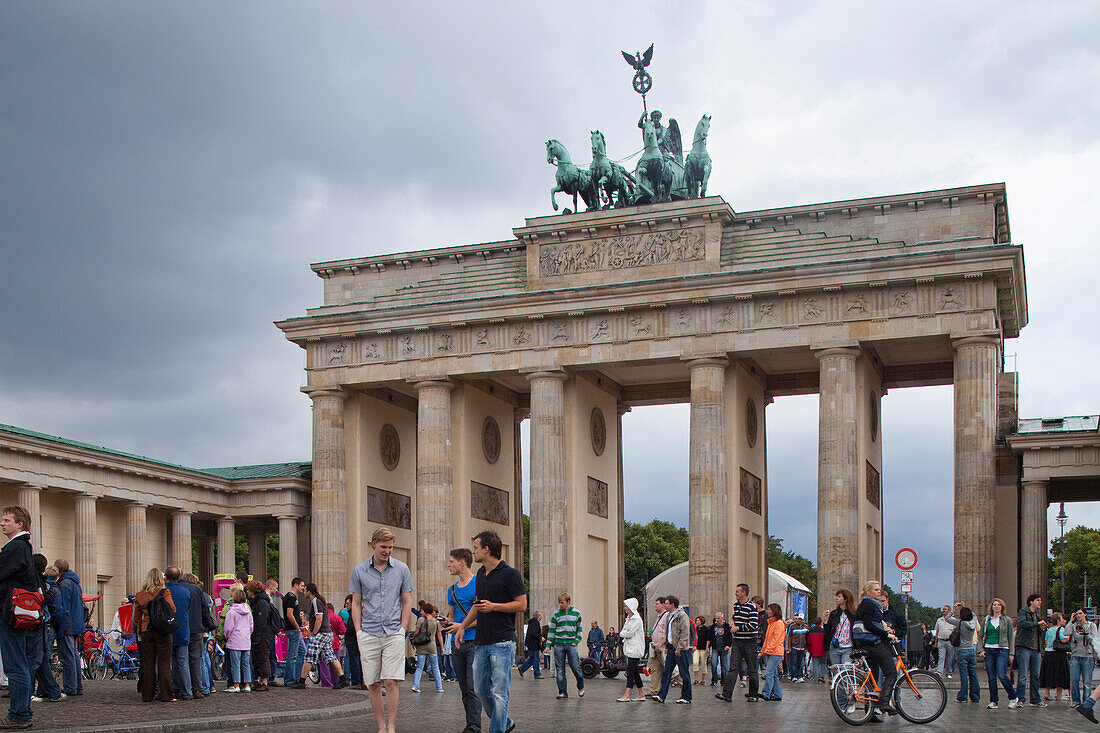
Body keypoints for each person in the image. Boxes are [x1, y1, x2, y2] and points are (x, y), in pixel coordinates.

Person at [454, 530, 526, 733]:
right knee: (480, 690)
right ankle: (505, 722)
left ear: (486, 549)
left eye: (475, 547)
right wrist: (463, 626)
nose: (473, 551)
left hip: (502, 642)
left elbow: (521, 605)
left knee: (500, 692)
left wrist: (495, 606)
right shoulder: (480, 574)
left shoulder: (511, 574)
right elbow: (477, 606)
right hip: (481, 642)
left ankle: (497, 730)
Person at [349, 527, 413, 733]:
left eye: (391, 547)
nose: (388, 551)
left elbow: (406, 601)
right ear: (374, 544)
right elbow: (356, 603)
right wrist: (358, 631)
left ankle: (392, 726)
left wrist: (403, 628)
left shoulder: (402, 569)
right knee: (373, 683)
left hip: (394, 631)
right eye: (384, 547)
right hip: (368, 631)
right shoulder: (359, 570)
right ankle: (381, 726)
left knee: (390, 681)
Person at [0, 506, 43, 729]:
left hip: (9, 614)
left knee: (15, 665)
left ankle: (19, 714)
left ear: (20, 524)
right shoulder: (23, 547)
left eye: (7, 520)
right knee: (19, 664)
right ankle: (20, 712)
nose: (2, 523)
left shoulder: (16, 547)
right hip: (17, 614)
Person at [443, 547, 481, 733]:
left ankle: (475, 725)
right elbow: (452, 617)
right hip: (456, 643)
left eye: (451, 561)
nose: (448, 564)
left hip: (475, 642)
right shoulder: (451, 590)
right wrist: (448, 623)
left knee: (474, 687)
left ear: (462, 562)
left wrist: (463, 626)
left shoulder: (479, 584)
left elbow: (483, 617)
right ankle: (471, 723)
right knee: (464, 689)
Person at [852, 580, 898, 717]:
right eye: (876, 590)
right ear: (869, 592)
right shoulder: (868, 604)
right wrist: (885, 634)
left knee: (872, 679)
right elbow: (868, 625)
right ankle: (884, 702)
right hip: (873, 643)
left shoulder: (868, 604)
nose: (879, 592)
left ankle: (870, 713)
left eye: (879, 589)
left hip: (867, 644)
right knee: (891, 673)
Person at [134, 567, 176, 703]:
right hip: (162, 631)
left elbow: (136, 617)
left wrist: (140, 629)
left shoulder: (140, 595)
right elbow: (172, 609)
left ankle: (147, 695)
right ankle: (166, 695)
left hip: (146, 630)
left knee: (148, 664)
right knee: (164, 664)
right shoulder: (165, 592)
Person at [296, 583, 347, 690]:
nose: (304, 592)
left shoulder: (315, 602)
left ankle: (301, 681)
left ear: (309, 591)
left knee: (309, 657)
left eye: (305, 590)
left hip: (320, 633)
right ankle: (343, 679)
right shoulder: (319, 602)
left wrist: (313, 633)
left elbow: (319, 619)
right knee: (330, 657)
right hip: (327, 633)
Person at [719, 583, 759, 702]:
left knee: (752, 669)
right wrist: (732, 624)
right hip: (737, 641)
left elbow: (753, 625)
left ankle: (753, 694)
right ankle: (727, 694)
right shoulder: (736, 605)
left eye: (737, 591)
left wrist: (738, 628)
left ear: (744, 593)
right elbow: (734, 618)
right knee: (733, 668)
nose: (735, 593)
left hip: (749, 642)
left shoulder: (752, 607)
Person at [978, 597, 1018, 709]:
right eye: (995, 604)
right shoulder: (986, 620)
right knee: (991, 677)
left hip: (1002, 649)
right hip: (989, 649)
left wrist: (1011, 653)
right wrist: (981, 650)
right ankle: (994, 701)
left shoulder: (1006, 620)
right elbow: (981, 636)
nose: (996, 606)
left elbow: (1011, 637)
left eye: (999, 605)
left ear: (1002, 607)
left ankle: (1013, 696)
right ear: (992, 607)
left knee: (1001, 675)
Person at [53, 557, 84, 698]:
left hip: (68, 625)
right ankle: (76, 686)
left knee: (68, 657)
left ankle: (70, 686)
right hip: (76, 623)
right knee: (74, 656)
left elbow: (64, 608)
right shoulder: (75, 583)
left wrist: (61, 627)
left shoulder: (65, 584)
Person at [653, 594, 692, 704]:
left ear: (672, 604)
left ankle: (686, 696)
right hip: (671, 648)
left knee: (684, 673)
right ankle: (662, 695)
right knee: (667, 672)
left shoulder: (682, 616)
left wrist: (679, 648)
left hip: (680, 649)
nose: (665, 605)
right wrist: (666, 646)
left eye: (666, 603)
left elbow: (685, 633)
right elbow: (668, 633)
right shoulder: (669, 616)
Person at [547, 592, 584, 699]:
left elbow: (579, 629)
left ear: (568, 602)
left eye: (562, 602)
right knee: (560, 670)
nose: (560, 605)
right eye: (559, 602)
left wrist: (576, 641)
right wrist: (548, 644)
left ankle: (580, 685)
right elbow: (552, 630)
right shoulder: (556, 614)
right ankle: (562, 691)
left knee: (575, 667)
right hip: (559, 643)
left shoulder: (577, 614)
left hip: (571, 644)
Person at [1013, 593, 1047, 707]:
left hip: (1035, 649)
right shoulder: (1023, 612)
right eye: (1038, 600)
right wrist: (1037, 624)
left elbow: (1037, 631)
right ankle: (1020, 699)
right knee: (1022, 675)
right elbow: (1022, 623)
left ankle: (1035, 699)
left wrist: (1041, 628)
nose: (1040, 602)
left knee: (1035, 675)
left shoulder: (1037, 615)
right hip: (1024, 647)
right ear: (1031, 602)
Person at [164, 566, 193, 700]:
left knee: (167, 665)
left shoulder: (164, 592)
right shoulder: (186, 592)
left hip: (167, 632)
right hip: (182, 632)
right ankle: (187, 692)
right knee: (183, 664)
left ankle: (168, 691)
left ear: (166, 578)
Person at [247, 580, 280, 692]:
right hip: (263, 634)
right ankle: (261, 680)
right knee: (260, 658)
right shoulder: (261, 601)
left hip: (263, 635)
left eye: (248, 590)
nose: (247, 592)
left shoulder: (261, 603)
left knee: (263, 658)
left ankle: (264, 681)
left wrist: (257, 637)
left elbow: (261, 621)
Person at [943, 603, 979, 703]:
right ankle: (975, 696)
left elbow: (947, 618)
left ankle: (963, 696)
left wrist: (954, 609)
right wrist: (966, 606)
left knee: (964, 675)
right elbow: (974, 616)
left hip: (962, 651)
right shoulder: (973, 622)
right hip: (971, 650)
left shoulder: (960, 623)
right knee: (973, 675)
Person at [179, 573, 207, 699]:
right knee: (196, 660)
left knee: (181, 660)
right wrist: (206, 626)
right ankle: (197, 688)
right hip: (197, 629)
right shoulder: (198, 590)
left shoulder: (180, 589)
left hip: (181, 629)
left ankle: (181, 688)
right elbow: (205, 609)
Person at [223, 587, 253, 693]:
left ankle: (236, 685)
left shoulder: (232, 612)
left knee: (235, 664)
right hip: (246, 640)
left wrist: (226, 636)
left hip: (235, 640)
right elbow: (251, 626)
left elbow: (228, 628)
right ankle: (247, 684)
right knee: (246, 664)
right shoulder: (248, 611)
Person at [617, 598, 647, 702]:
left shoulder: (637, 620)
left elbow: (628, 633)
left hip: (635, 649)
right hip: (630, 648)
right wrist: (624, 632)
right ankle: (641, 693)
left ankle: (627, 694)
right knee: (634, 672)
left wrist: (624, 632)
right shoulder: (629, 619)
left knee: (630, 671)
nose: (625, 608)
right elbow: (624, 631)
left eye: (626, 606)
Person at [410, 602, 444, 693]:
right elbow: (439, 636)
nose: (420, 612)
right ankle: (439, 687)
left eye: (421, 610)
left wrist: (414, 642)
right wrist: (442, 647)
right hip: (432, 647)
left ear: (425, 611)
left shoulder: (421, 620)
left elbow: (416, 633)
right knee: (435, 667)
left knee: (420, 667)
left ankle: (415, 685)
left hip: (421, 646)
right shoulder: (436, 621)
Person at [1068, 607, 1098, 707]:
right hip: (1076, 655)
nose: (1078, 616)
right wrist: (1071, 621)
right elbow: (1066, 633)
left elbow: (1094, 640)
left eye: (1080, 613)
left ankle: (1086, 703)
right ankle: (1075, 701)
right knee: (1074, 680)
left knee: (1087, 682)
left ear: (1085, 614)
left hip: (1088, 656)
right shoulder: (1074, 626)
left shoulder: (1091, 626)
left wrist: (1086, 633)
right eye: (1076, 614)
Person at [1039, 611, 1070, 702]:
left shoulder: (1049, 630)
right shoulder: (1061, 629)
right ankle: (1058, 694)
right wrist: (1068, 636)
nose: (1064, 620)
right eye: (1062, 618)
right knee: (1059, 674)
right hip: (1058, 654)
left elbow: (1047, 642)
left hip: (1048, 653)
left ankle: (1047, 693)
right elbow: (1064, 640)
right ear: (1058, 620)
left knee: (1049, 673)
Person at [282, 578, 306, 687]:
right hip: (293, 629)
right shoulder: (291, 597)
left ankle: (297, 677)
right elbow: (289, 614)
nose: (303, 588)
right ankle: (290, 680)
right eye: (302, 585)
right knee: (292, 655)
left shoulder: (290, 597)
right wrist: (297, 627)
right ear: (295, 585)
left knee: (302, 652)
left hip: (295, 629)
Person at [824, 589, 856, 669]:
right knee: (836, 672)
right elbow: (828, 631)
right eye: (836, 596)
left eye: (839, 596)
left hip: (848, 647)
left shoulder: (853, 614)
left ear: (846, 599)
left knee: (845, 671)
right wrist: (826, 621)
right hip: (835, 647)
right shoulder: (834, 614)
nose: (836, 599)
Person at [647, 596, 669, 698]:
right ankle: (653, 691)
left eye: (657, 604)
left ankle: (683, 684)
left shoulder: (666, 616)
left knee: (672, 670)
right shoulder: (659, 616)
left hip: (662, 646)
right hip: (655, 647)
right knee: (655, 669)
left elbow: (667, 632)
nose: (655, 606)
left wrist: (661, 643)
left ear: (663, 605)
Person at [339, 594, 363, 687]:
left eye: (348, 604)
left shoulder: (354, 614)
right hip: (353, 641)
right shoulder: (353, 614)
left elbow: (354, 628)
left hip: (353, 641)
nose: (346, 606)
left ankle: (356, 681)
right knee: (355, 661)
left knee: (354, 662)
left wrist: (347, 632)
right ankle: (357, 680)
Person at [517, 611, 543, 679]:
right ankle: (537, 674)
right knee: (535, 659)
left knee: (532, 659)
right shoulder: (535, 623)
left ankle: (522, 669)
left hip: (531, 644)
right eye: (541, 615)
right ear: (539, 616)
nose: (542, 616)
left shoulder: (532, 623)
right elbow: (534, 633)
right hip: (534, 644)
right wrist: (540, 637)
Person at [933, 604, 956, 679]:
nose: (943, 610)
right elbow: (937, 631)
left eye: (945, 609)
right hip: (941, 640)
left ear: (949, 611)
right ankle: (939, 672)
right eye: (943, 609)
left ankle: (949, 672)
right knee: (941, 657)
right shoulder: (939, 620)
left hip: (950, 641)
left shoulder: (953, 620)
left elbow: (956, 631)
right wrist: (935, 642)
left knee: (949, 658)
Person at [709, 611, 731, 687]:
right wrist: (708, 647)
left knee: (724, 665)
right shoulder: (713, 627)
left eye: (718, 618)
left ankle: (723, 680)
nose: (717, 620)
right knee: (714, 664)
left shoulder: (726, 626)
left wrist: (728, 645)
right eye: (716, 618)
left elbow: (729, 637)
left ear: (722, 618)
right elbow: (710, 637)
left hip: (724, 648)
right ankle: (714, 680)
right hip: (715, 647)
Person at [786, 614, 808, 682]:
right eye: (798, 619)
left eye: (801, 619)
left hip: (802, 648)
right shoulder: (792, 626)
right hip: (794, 647)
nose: (799, 620)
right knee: (794, 662)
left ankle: (800, 676)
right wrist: (789, 647)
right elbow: (789, 637)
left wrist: (806, 648)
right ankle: (794, 676)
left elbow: (807, 638)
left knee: (800, 662)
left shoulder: (805, 627)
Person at [808, 617, 827, 683]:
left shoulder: (811, 630)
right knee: (822, 664)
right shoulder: (823, 630)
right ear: (821, 623)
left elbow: (809, 641)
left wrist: (809, 649)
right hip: (822, 649)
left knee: (815, 664)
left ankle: (815, 679)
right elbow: (825, 641)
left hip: (814, 650)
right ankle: (821, 676)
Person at [692, 615, 710, 685]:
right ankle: (696, 679)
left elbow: (708, 638)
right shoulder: (695, 629)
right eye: (696, 620)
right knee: (695, 663)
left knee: (703, 664)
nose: (697, 622)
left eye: (698, 620)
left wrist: (707, 647)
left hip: (703, 648)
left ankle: (703, 679)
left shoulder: (706, 629)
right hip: (696, 648)